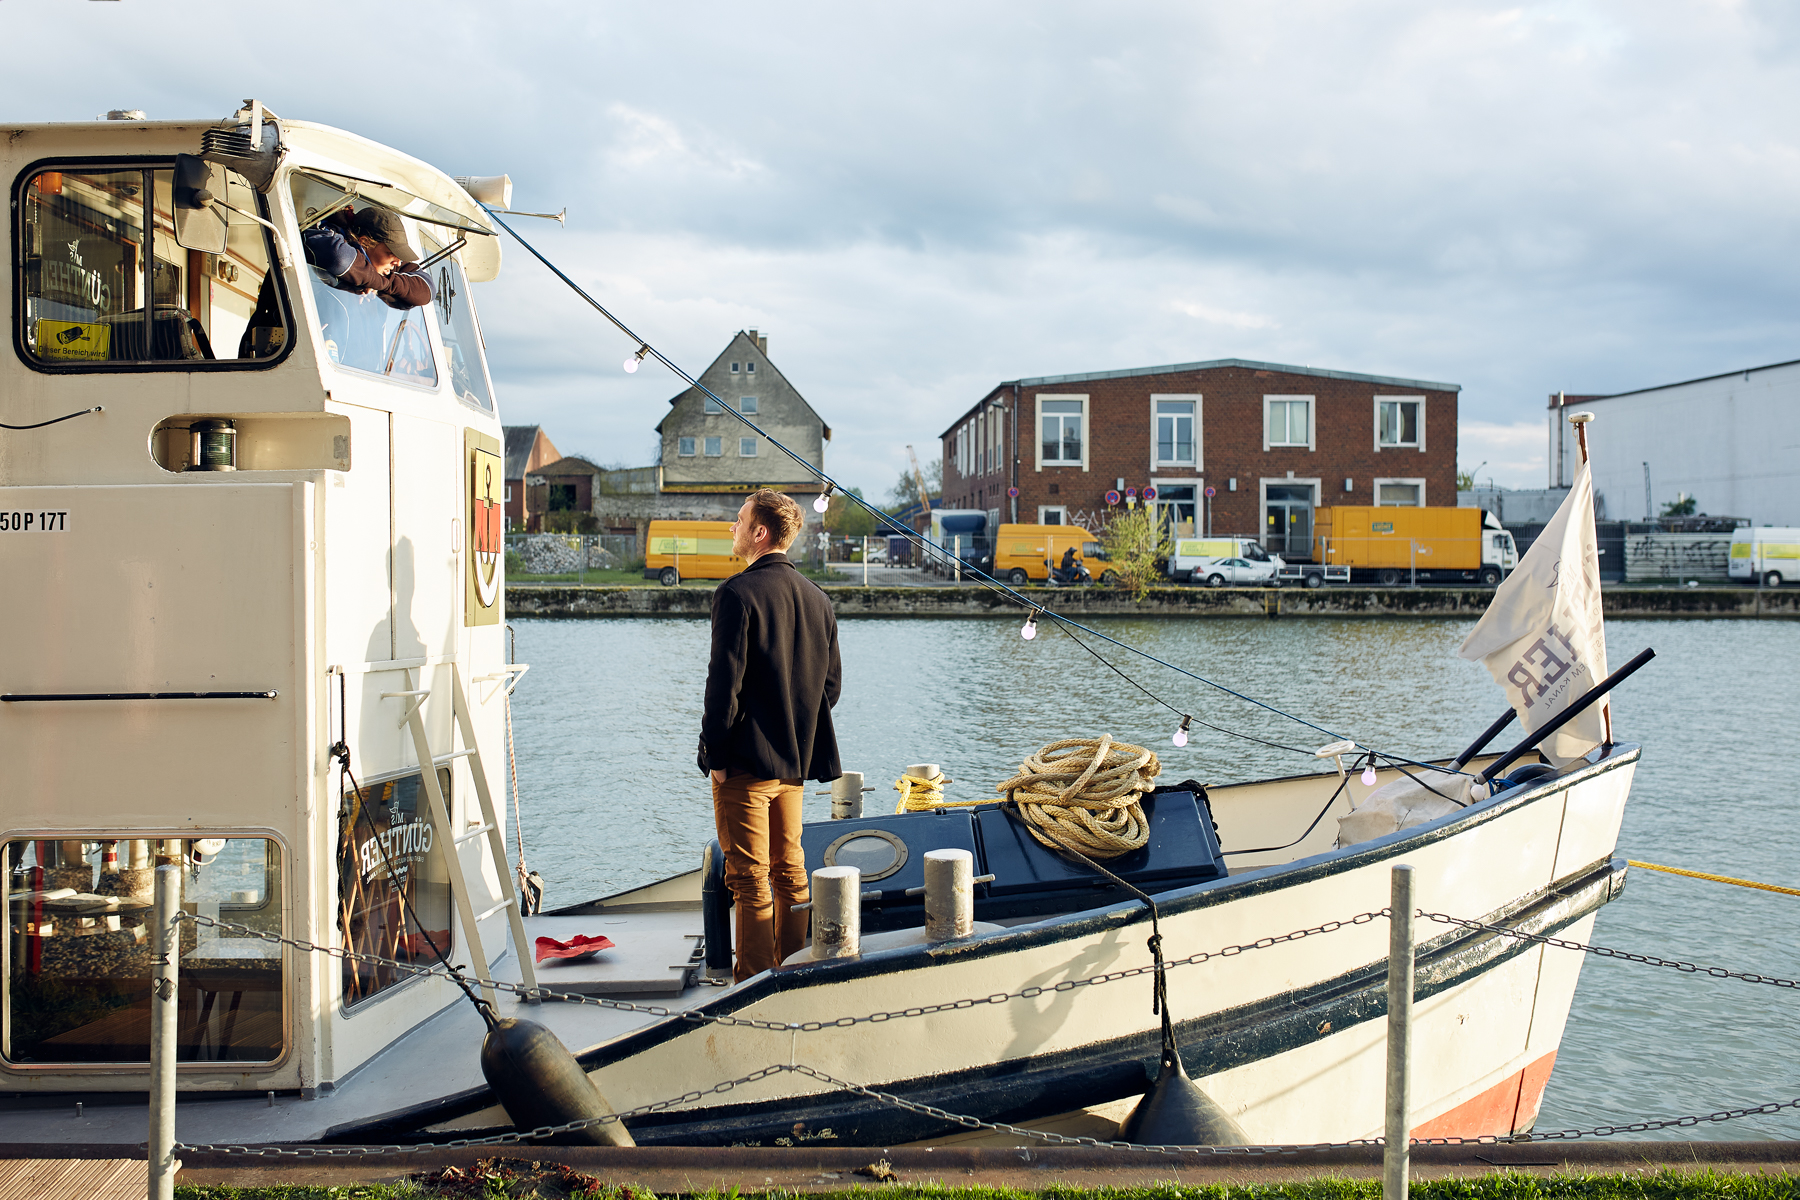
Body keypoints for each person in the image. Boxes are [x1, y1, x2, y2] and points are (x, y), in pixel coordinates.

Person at [698, 489, 842, 981]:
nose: (732, 528)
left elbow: (723, 688)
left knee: (749, 880)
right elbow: (829, 688)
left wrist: (716, 758)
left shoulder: (736, 594)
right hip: (793, 768)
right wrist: (792, 728)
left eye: (739, 520)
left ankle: (754, 986)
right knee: (790, 872)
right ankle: (792, 973)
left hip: (744, 767)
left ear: (760, 532)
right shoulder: (818, 599)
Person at [301, 205, 433, 309]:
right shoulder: (324, 235)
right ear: (365, 242)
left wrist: (383, 284)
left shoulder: (381, 264)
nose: (398, 263)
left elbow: (428, 289)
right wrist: (375, 282)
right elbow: (339, 259)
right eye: (392, 253)